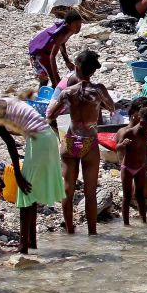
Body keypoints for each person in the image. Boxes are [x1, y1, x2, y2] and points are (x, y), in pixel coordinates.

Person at [0, 89, 66, 253]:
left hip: (40, 140)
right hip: (46, 137)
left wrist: (17, 174)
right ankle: (31, 242)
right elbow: (16, 127)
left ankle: (23, 246)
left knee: (25, 193)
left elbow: (10, 143)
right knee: (30, 193)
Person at [47, 50, 115, 235]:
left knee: (68, 189)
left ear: (76, 67)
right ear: (93, 71)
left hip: (71, 140)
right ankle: (92, 233)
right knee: (90, 192)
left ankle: (70, 230)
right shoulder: (98, 90)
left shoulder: (68, 92)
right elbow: (112, 107)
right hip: (89, 141)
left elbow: (50, 114)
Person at [116, 107, 147, 225]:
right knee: (127, 197)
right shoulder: (130, 133)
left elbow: (145, 150)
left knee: (140, 195)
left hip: (140, 168)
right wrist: (122, 144)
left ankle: (144, 221)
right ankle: (126, 224)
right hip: (127, 168)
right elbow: (117, 148)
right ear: (142, 123)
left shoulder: (145, 134)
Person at [28, 9, 83, 87]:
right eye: (76, 24)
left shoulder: (71, 30)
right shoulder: (62, 34)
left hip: (47, 54)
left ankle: (49, 93)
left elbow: (62, 43)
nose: (79, 27)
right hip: (39, 54)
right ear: (68, 24)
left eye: (80, 24)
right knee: (46, 79)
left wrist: (67, 61)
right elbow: (52, 56)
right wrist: (55, 78)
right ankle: (41, 97)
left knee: (53, 79)